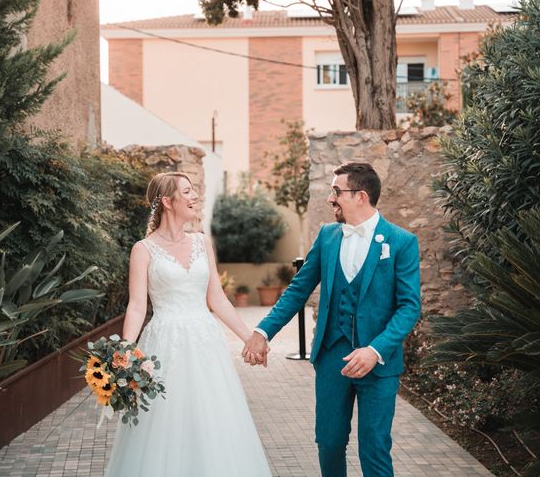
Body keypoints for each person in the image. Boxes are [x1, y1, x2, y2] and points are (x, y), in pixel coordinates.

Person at [243, 162, 421, 477]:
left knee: (375, 448)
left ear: (361, 196)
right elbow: (297, 291)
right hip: (331, 359)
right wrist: (262, 331)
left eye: (336, 191)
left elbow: (408, 307)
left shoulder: (401, 242)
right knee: (329, 442)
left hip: (378, 364)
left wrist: (375, 350)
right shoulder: (327, 236)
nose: (330, 198)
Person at [104, 172, 271, 477]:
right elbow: (138, 305)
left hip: (205, 342)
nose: (195, 197)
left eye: (194, 191)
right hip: (163, 344)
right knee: (166, 422)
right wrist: (125, 352)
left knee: (212, 417)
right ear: (168, 202)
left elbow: (217, 299)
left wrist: (250, 338)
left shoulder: (201, 242)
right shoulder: (143, 250)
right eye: (188, 192)